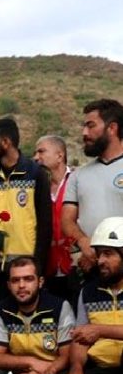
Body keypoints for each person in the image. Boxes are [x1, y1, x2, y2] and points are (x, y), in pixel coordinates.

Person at [57, 217, 123, 374]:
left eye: (109, 254)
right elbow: (80, 337)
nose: (101, 260)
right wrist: (76, 368)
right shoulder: (88, 292)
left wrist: (101, 330)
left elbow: (93, 331)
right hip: (101, 368)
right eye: (99, 253)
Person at [0, 117, 53, 303]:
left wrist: (37, 267)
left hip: (26, 271)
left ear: (6, 142)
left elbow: (45, 226)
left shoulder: (36, 173)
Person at [62, 99, 123, 281]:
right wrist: (83, 242)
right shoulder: (78, 176)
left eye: (90, 126)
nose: (84, 133)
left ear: (112, 128)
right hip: (92, 271)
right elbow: (67, 220)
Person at [34, 135, 78, 302]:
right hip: (48, 268)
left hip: (74, 265)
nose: (36, 157)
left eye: (41, 151)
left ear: (60, 156)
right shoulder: (37, 187)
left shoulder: (78, 181)